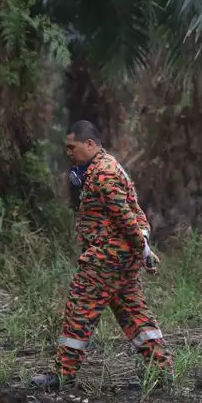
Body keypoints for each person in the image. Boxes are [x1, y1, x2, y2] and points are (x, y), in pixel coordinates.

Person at [32, 121, 172, 389]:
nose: (69, 153)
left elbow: (125, 216)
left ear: (90, 144)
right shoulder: (106, 167)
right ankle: (162, 371)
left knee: (79, 308)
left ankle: (64, 375)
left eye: (72, 147)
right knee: (134, 313)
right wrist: (143, 247)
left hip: (106, 258)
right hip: (121, 259)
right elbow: (138, 214)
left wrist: (144, 250)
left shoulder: (103, 174)